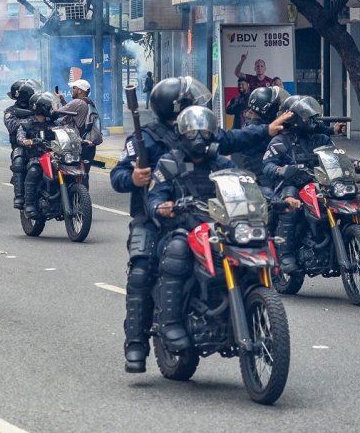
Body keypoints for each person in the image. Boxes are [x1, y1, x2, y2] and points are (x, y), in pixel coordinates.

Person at [110, 76, 289, 373]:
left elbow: (234, 143)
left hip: (205, 215)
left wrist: (266, 134)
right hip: (155, 216)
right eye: (190, 100)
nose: (198, 104)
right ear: (175, 108)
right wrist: (133, 178)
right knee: (143, 270)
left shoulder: (205, 135)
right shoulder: (149, 139)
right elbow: (119, 175)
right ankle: (138, 343)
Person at [146, 106, 237, 352]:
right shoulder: (169, 163)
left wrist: (270, 197)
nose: (199, 138)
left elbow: (246, 186)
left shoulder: (222, 163)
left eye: (205, 132)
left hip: (220, 228)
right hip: (183, 228)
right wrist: (162, 206)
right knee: (177, 249)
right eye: (193, 132)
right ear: (181, 134)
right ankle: (171, 322)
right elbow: (154, 196)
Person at [261, 96, 360, 274]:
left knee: (349, 198)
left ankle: (345, 241)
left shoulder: (321, 139)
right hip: (293, 184)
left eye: (310, 116)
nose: (310, 120)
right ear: (293, 118)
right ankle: (286, 255)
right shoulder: (281, 141)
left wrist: (356, 164)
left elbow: (336, 155)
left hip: (321, 182)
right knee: (290, 206)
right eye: (305, 116)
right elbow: (267, 165)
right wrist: (281, 170)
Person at [18, 91, 62, 218]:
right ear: (43, 107)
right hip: (36, 157)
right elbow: (20, 137)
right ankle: (29, 204)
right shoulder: (26, 123)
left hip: (55, 156)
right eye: (51, 106)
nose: (53, 109)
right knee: (34, 171)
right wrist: (27, 141)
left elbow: (67, 132)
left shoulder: (54, 123)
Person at [4, 79, 40, 208]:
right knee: (18, 160)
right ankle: (19, 196)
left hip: (41, 144)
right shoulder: (11, 111)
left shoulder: (38, 107)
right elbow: (12, 126)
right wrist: (31, 118)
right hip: (21, 145)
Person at [58, 79, 102, 181]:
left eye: (74, 88)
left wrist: (55, 105)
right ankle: (83, 195)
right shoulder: (89, 102)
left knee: (73, 175)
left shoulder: (77, 102)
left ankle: (77, 195)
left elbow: (58, 113)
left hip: (81, 144)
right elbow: (72, 112)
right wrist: (62, 100)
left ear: (80, 90)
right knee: (84, 175)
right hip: (90, 145)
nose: (72, 90)